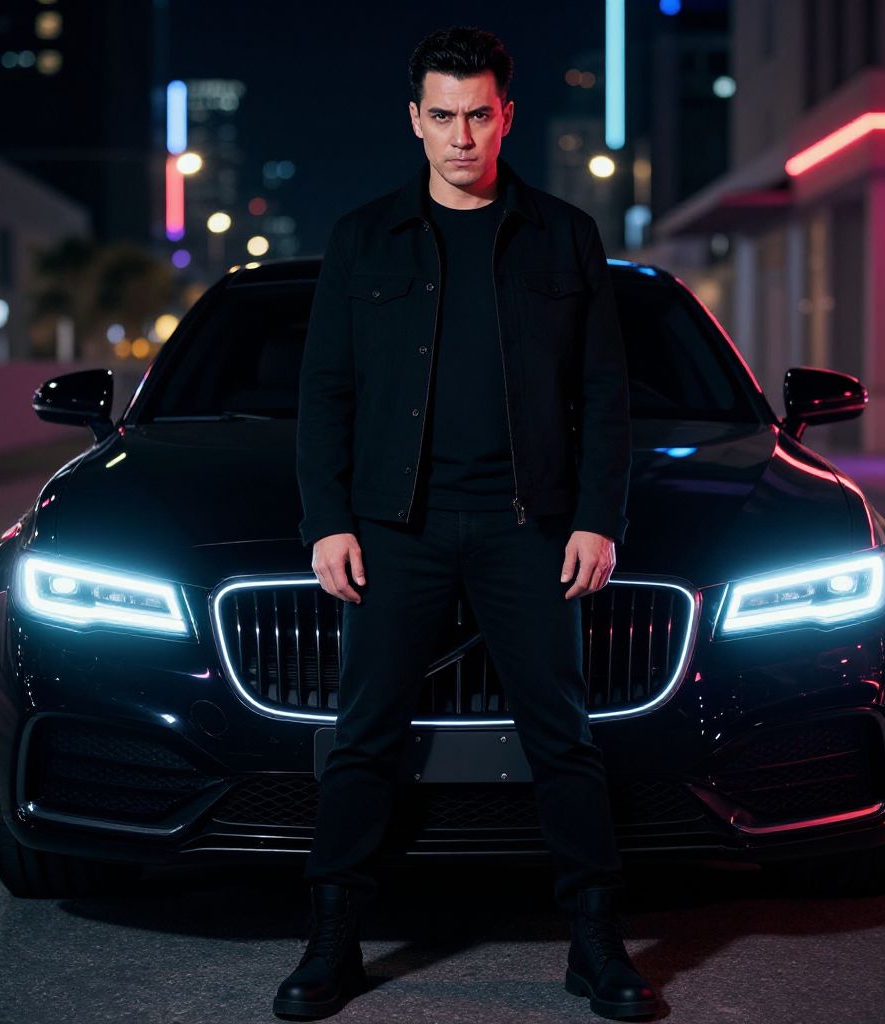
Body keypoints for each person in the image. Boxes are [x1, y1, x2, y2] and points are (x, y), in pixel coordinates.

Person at [274, 24, 661, 1022]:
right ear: (414, 120)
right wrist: (327, 520)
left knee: (563, 738)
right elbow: (325, 393)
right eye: (442, 116)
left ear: (506, 117)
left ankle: (593, 942)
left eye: (478, 114)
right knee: (363, 737)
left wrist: (595, 518)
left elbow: (605, 393)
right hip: (394, 526)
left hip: (528, 526)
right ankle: (332, 941)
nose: (460, 136)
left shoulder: (564, 235)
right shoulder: (364, 237)